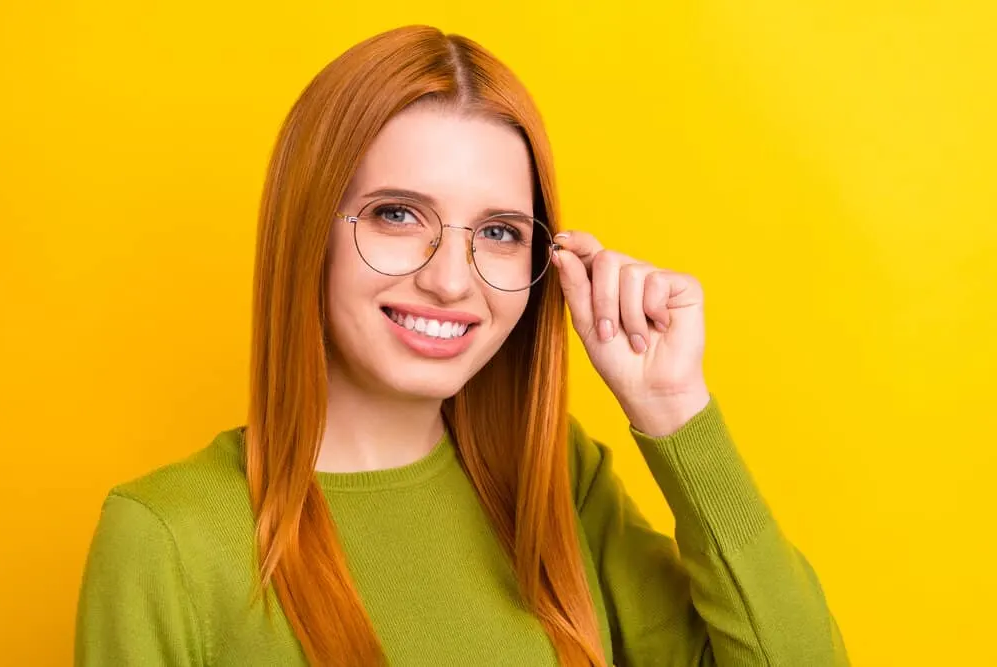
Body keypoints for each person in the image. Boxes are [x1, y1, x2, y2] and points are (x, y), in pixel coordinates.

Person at [74, 24, 849, 667]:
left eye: (499, 232)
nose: (451, 280)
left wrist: (676, 411)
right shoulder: (170, 539)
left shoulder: (556, 488)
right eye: (397, 215)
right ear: (310, 229)